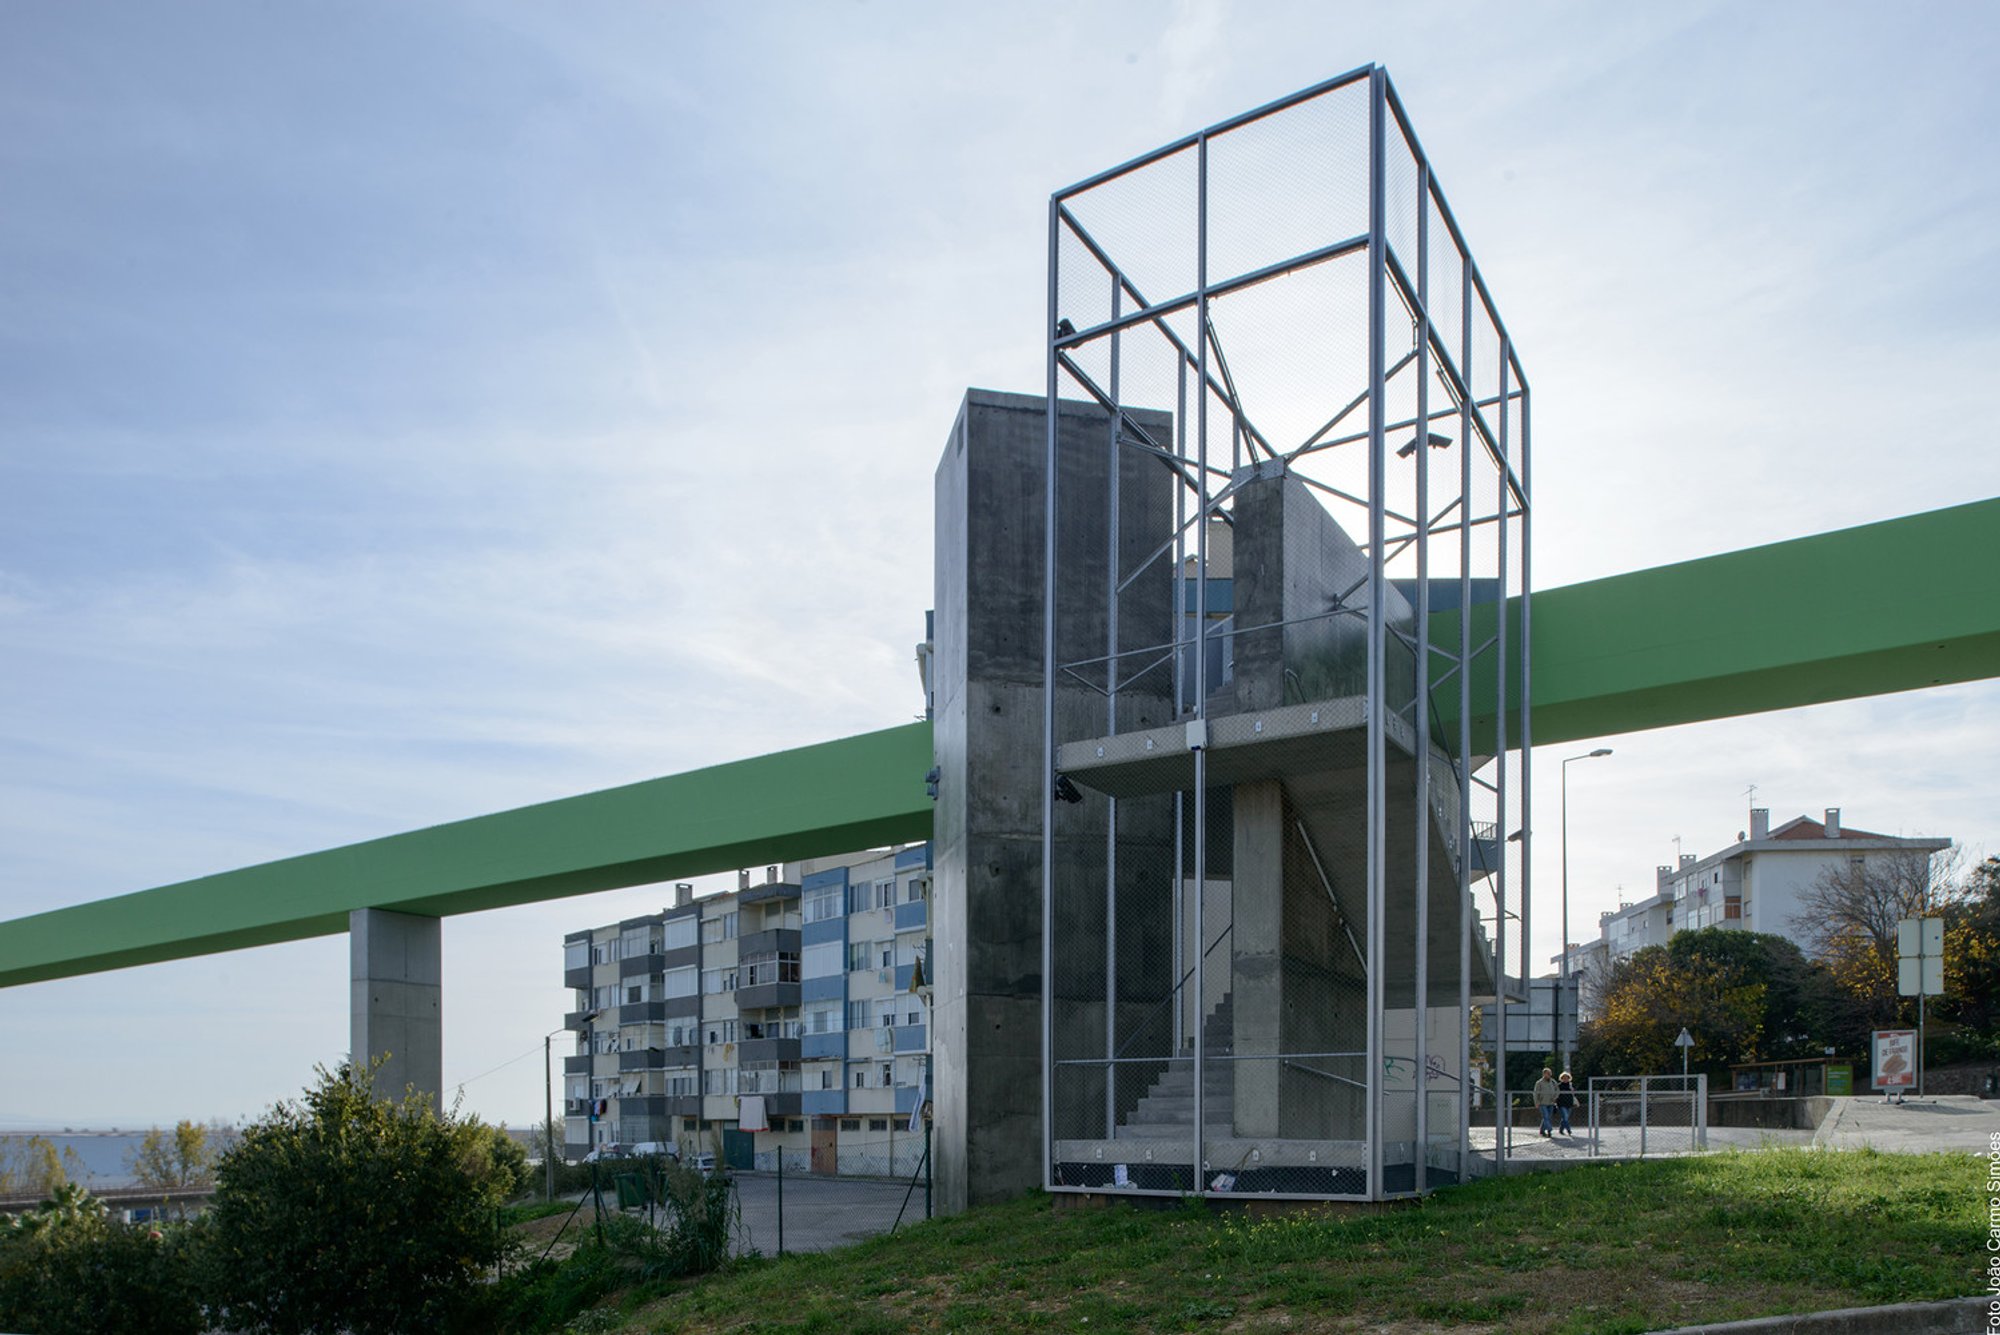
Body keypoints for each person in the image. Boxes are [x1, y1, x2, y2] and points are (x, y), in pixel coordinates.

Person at [1533, 1067, 1558, 1138]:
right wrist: (1536, 1102)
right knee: (1546, 1116)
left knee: (1548, 1117)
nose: (1549, 1075)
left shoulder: (1553, 1082)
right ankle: (1549, 1130)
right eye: (1548, 1073)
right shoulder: (1539, 1083)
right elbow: (1535, 1093)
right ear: (1544, 1074)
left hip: (1551, 1102)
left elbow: (1557, 1090)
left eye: (1550, 1073)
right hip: (1542, 1102)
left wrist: (1555, 1097)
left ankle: (1542, 1130)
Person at [1556, 1070, 1577, 1135]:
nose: (1565, 1079)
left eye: (1567, 1077)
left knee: (1565, 1118)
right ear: (1561, 1078)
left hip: (1569, 1104)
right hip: (1561, 1104)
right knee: (1565, 1117)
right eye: (1564, 1077)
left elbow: (1573, 1094)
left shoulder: (1570, 1085)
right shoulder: (1559, 1086)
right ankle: (1569, 1130)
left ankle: (1561, 1129)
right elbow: (1556, 1094)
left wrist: (1572, 1090)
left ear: (1569, 1078)